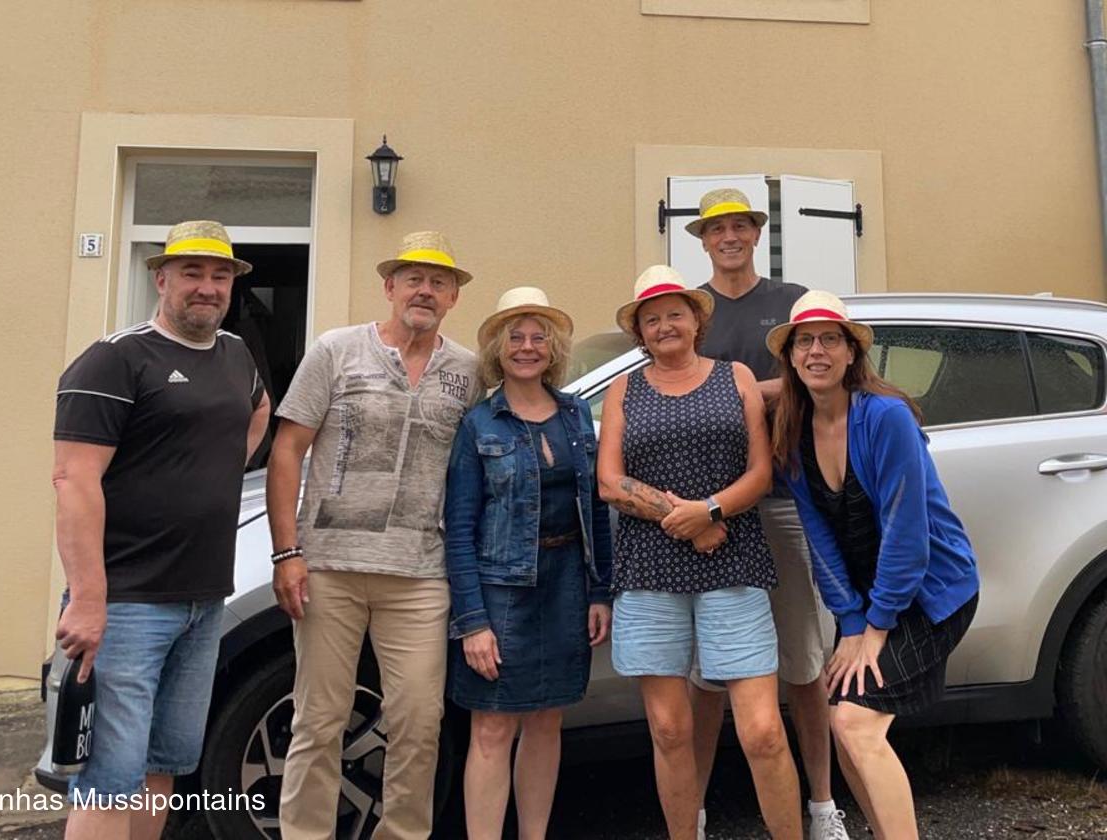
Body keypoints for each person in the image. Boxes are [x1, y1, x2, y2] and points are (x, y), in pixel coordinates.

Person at [52, 220, 271, 840]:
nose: (208, 287)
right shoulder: (116, 359)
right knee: (107, 778)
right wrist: (87, 599)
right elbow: (72, 480)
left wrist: (215, 471)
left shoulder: (235, 354)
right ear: (161, 279)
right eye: (192, 273)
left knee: (162, 767)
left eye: (220, 275)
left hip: (204, 599)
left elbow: (258, 410)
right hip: (126, 604)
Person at [269, 231, 482, 840]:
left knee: (419, 721)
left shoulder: (467, 371)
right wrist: (287, 553)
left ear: (453, 297)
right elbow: (287, 450)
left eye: (439, 282)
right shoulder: (336, 350)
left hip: (419, 574)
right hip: (329, 569)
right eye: (413, 279)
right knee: (319, 720)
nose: (425, 291)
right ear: (389, 287)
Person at [597, 265, 802, 840]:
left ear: (696, 321)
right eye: (652, 319)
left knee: (763, 731)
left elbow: (760, 473)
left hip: (733, 562)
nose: (665, 325)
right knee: (669, 730)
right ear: (640, 332)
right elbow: (609, 481)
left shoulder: (736, 377)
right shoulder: (623, 389)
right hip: (649, 572)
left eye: (675, 314)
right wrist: (687, 522)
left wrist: (710, 511)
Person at [766, 290, 980, 839]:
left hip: (931, 595)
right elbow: (820, 540)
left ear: (850, 353)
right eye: (804, 341)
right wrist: (852, 622)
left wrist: (876, 627)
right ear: (790, 356)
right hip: (869, 605)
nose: (816, 351)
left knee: (854, 722)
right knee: (843, 720)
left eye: (829, 340)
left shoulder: (885, 417)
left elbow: (908, 535)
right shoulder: (792, 430)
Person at [684, 187, 849, 839]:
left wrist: (739, 388)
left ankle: (823, 805)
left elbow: (819, 376)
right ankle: (691, 813)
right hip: (709, 512)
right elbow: (673, 387)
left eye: (739, 227)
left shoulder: (791, 302)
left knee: (804, 665)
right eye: (716, 229)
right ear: (703, 240)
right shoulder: (692, 312)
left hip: (783, 501)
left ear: (757, 234)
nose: (728, 238)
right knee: (705, 676)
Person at [444, 287, 614, 840]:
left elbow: (595, 509)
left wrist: (599, 593)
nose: (527, 347)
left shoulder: (574, 415)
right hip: (501, 593)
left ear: (553, 348)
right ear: (498, 348)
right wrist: (472, 621)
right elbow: (459, 528)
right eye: (515, 337)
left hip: (566, 586)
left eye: (539, 337)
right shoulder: (479, 423)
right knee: (492, 729)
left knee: (546, 722)